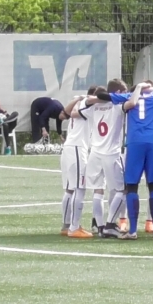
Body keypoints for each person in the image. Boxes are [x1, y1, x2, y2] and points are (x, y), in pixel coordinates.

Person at [93, 80, 153, 240]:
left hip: (135, 144)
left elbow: (101, 95)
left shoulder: (129, 96)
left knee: (132, 187)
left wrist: (137, 89)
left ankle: (132, 231)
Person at [81, 80, 130, 238]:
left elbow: (83, 105)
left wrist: (94, 99)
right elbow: (130, 102)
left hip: (95, 152)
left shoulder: (94, 106)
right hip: (111, 153)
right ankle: (110, 224)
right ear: (118, 92)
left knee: (98, 190)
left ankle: (100, 226)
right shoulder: (117, 106)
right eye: (124, 91)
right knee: (123, 190)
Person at [59, 94, 92, 238]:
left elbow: (63, 114)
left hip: (69, 147)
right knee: (80, 187)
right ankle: (74, 227)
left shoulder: (79, 103)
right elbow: (70, 114)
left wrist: (77, 99)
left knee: (70, 188)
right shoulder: (87, 106)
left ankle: (66, 225)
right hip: (78, 148)